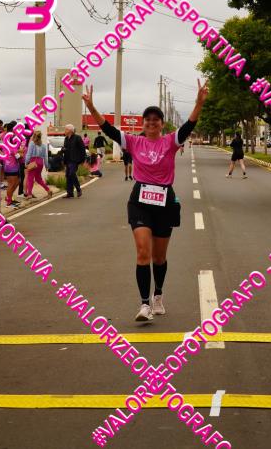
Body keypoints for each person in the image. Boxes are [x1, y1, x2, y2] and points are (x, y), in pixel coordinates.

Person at [82, 79, 208, 322]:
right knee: (142, 252)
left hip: (164, 201)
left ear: (161, 124)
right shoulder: (134, 141)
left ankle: (158, 295)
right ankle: (144, 304)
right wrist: (91, 107)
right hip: (139, 200)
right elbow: (108, 129)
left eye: (156, 119)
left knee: (159, 257)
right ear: (143, 123)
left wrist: (199, 103)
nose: (151, 122)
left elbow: (189, 125)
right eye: (148, 119)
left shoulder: (170, 141)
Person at [24, 130, 53, 198]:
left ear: (34, 136)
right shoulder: (43, 145)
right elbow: (45, 156)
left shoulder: (32, 143)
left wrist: (26, 162)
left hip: (33, 161)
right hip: (40, 162)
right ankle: (48, 190)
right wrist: (46, 166)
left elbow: (29, 154)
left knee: (30, 178)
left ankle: (29, 194)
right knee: (38, 179)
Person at [62, 124, 86, 198]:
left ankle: (78, 189)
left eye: (66, 129)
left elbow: (82, 149)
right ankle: (70, 193)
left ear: (70, 130)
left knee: (72, 174)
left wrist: (83, 160)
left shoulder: (77, 138)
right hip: (67, 159)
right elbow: (65, 148)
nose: (64, 131)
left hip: (74, 160)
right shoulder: (66, 138)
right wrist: (63, 149)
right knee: (68, 175)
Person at [3, 121, 22, 207]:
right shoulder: (10, 141)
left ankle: (9, 197)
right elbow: (16, 154)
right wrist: (20, 154)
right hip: (10, 166)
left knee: (17, 181)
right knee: (11, 184)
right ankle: (9, 201)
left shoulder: (8, 139)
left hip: (13, 165)